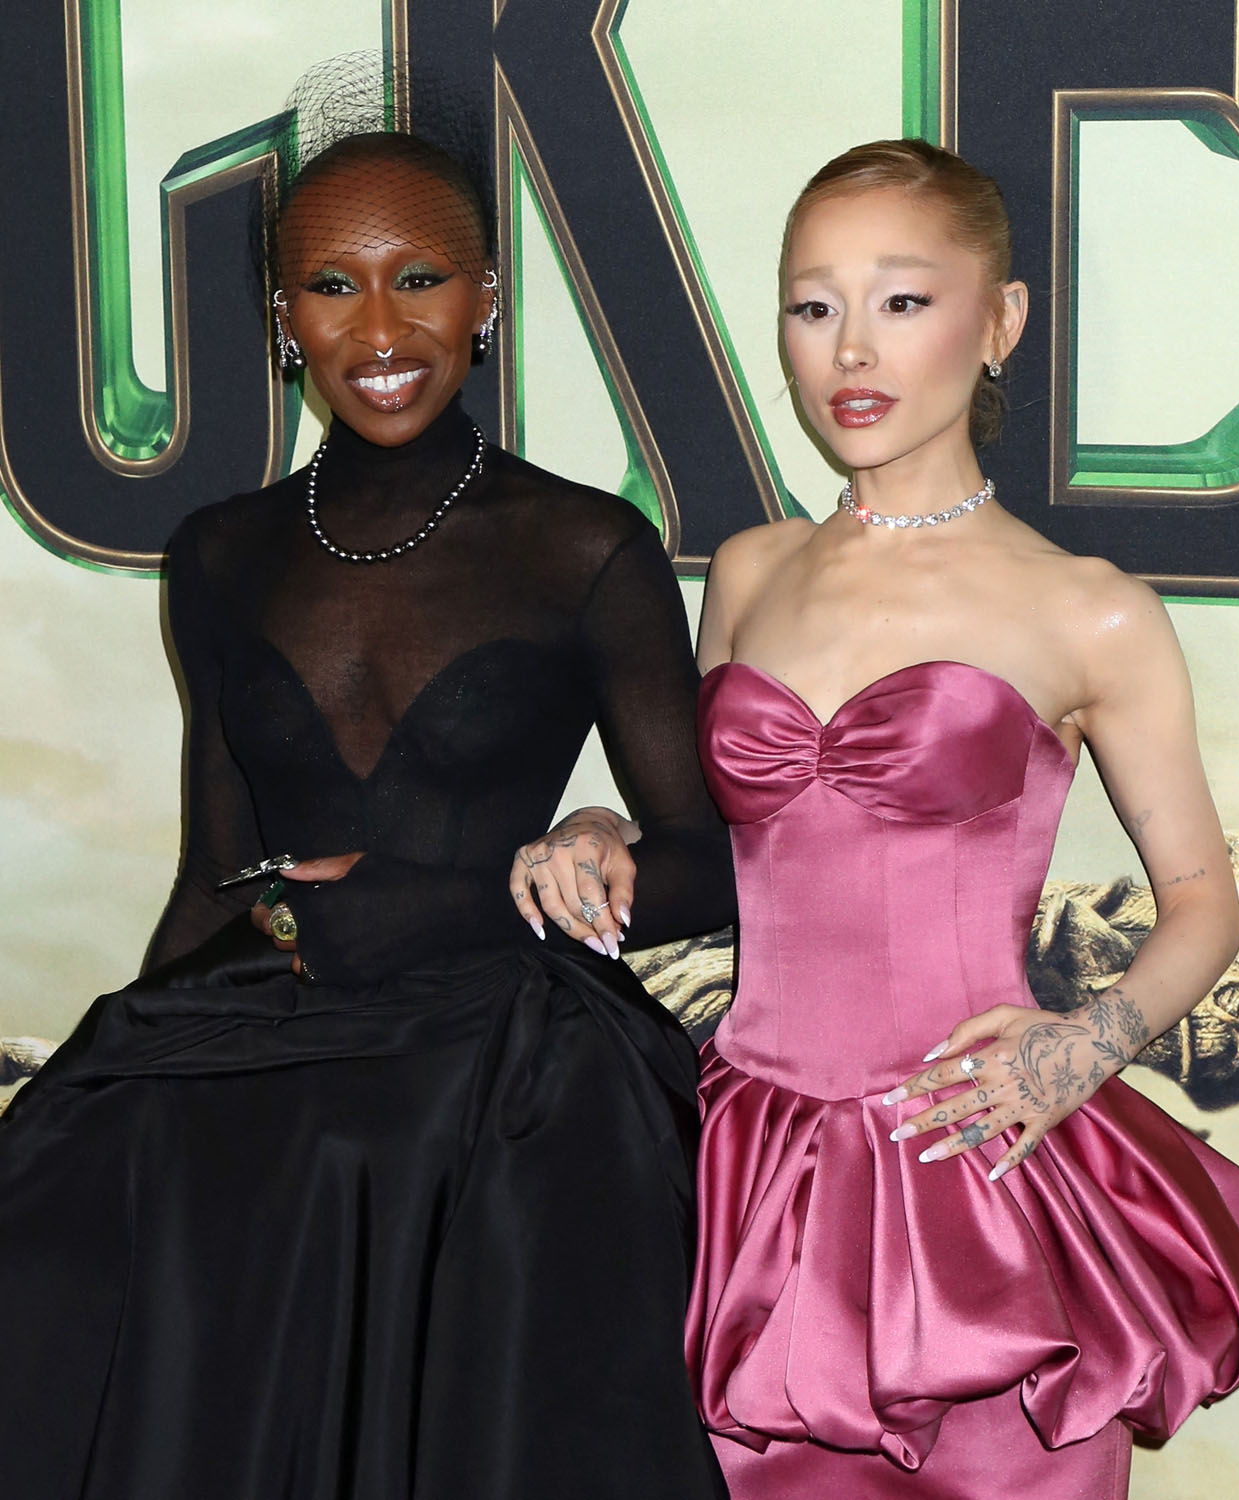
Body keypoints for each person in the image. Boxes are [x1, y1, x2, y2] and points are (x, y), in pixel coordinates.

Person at [0, 119, 734, 1499]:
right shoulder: (219, 553)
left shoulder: (584, 546)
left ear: (488, 297)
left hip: (504, 1078)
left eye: (423, 278)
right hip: (275, 1034)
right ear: (283, 317)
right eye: (333, 285)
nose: (381, 328)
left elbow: (712, 866)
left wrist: (473, 900)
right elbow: (217, 875)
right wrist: (121, 1058)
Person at [679, 139, 1239, 1498]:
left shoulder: (1089, 608)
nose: (852, 349)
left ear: (1000, 319)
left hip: (977, 1175)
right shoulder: (748, 572)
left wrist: (1086, 1048)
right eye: (812, 305)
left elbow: (1204, 903)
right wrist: (603, 832)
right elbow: (722, 854)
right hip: (756, 1180)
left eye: (903, 300)